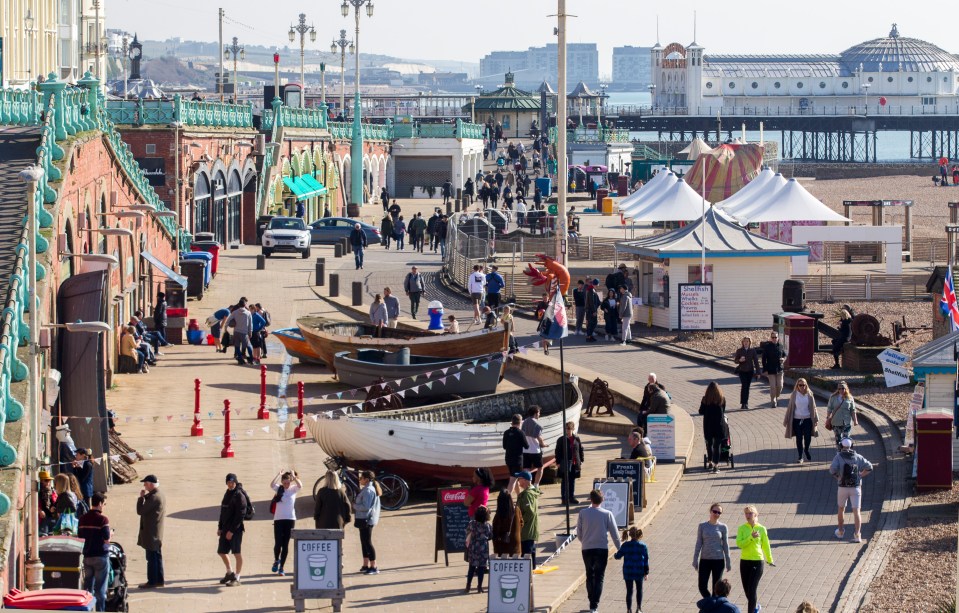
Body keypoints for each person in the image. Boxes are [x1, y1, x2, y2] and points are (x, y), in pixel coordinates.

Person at [577, 489, 622, 613]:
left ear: (590, 499)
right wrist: (620, 548)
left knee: (589, 574)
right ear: (603, 500)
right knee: (599, 576)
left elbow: (579, 533)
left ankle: (591, 598)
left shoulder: (583, 513)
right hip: (601, 548)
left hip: (586, 548)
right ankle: (594, 605)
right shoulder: (607, 514)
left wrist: (585, 541)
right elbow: (615, 533)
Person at [829, 438, 873, 543]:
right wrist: (861, 475)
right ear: (851, 446)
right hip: (856, 487)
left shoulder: (838, 457)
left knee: (841, 509)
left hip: (842, 487)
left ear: (841, 446)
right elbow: (870, 467)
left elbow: (832, 470)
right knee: (856, 511)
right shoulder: (858, 457)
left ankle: (840, 532)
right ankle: (857, 535)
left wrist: (838, 477)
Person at [736, 505, 774, 613]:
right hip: (745, 561)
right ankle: (755, 607)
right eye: (746, 513)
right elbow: (740, 544)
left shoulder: (761, 529)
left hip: (757, 561)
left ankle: (751, 611)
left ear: (756, 515)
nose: (748, 516)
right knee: (747, 590)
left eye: (750, 513)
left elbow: (766, 545)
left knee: (752, 589)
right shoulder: (742, 528)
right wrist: (751, 537)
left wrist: (770, 559)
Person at [79, 492, 111, 610]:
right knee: (100, 589)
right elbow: (107, 538)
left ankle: (86, 609)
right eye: (104, 504)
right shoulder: (103, 520)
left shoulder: (82, 519)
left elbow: (80, 536)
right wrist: (111, 534)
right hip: (100, 557)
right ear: (100, 504)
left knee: (87, 588)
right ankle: (100, 610)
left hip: (87, 556)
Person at [694, 503, 732, 599]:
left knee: (717, 588)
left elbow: (725, 545)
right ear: (710, 511)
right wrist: (695, 559)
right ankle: (710, 602)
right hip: (705, 560)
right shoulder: (702, 526)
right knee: (702, 586)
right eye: (714, 511)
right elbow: (699, 543)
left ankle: (714, 607)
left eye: (719, 512)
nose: (716, 514)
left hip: (718, 561)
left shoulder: (723, 527)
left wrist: (728, 561)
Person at [270, 470, 302, 576]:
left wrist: (294, 477)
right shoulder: (279, 488)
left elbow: (300, 485)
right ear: (282, 482)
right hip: (278, 519)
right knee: (278, 543)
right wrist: (278, 475)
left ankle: (282, 568)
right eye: (284, 483)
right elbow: (271, 484)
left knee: (285, 544)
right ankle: (276, 560)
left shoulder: (293, 489)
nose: (286, 485)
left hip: (290, 519)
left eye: (288, 482)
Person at [217, 473, 247, 587]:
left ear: (235, 482)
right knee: (221, 551)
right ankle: (230, 573)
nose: (230, 484)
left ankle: (237, 578)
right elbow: (222, 511)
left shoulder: (239, 495)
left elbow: (241, 515)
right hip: (225, 528)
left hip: (236, 530)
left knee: (236, 553)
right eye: (228, 482)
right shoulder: (227, 493)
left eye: (232, 482)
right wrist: (220, 527)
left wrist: (232, 531)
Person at [136, 475, 165, 589]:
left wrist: (141, 498)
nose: (144, 485)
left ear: (151, 485)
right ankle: (159, 580)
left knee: (151, 558)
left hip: (151, 532)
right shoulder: (158, 495)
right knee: (157, 557)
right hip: (156, 532)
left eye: (146, 483)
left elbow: (140, 511)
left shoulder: (154, 497)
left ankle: (152, 581)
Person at [614, 526, 650, 613]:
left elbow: (618, 556)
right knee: (639, 589)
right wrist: (646, 572)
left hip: (628, 571)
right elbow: (646, 560)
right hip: (639, 571)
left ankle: (629, 609)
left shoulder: (625, 545)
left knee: (629, 591)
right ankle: (639, 608)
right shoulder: (643, 546)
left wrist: (615, 555)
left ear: (629, 534)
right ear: (639, 534)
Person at [784, 378, 819, 463]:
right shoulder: (794, 394)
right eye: (800, 385)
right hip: (796, 419)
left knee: (807, 437)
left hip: (807, 419)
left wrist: (816, 418)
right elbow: (790, 408)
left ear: (806, 385)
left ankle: (806, 449)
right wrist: (786, 420)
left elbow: (814, 407)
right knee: (799, 438)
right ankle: (800, 456)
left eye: (804, 385)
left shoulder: (810, 395)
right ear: (797, 386)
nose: (802, 387)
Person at [354, 470, 381, 574]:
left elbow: (366, 507)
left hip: (367, 519)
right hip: (364, 519)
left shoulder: (368, 490)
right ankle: (365, 564)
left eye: (361, 478)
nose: (360, 479)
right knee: (363, 542)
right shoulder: (367, 489)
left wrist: (354, 506)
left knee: (367, 542)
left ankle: (374, 566)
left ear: (366, 479)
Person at [700, 383, 727, 473]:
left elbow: (701, 411)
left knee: (709, 443)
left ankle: (710, 461)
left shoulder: (705, 399)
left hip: (708, 425)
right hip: (719, 425)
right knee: (717, 445)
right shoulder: (722, 399)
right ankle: (716, 465)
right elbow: (723, 411)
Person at [464, 505, 492, 593]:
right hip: (483, 548)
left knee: (471, 568)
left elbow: (467, 532)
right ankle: (479, 586)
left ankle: (468, 585)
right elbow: (490, 536)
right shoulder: (487, 526)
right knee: (481, 568)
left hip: (473, 547)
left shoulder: (472, 523)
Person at [514, 471, 540, 566]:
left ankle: (528, 575)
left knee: (526, 553)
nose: (518, 481)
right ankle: (532, 571)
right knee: (531, 551)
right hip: (530, 529)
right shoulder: (531, 492)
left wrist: (520, 521)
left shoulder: (527, 494)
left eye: (519, 479)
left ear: (525, 480)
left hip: (526, 530)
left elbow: (530, 512)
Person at [555, 421, 584, 504]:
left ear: (572, 429)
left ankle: (571, 497)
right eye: (566, 429)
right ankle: (564, 498)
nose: (567, 431)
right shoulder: (561, 439)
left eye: (569, 429)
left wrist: (581, 459)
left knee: (572, 481)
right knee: (564, 481)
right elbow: (558, 451)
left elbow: (580, 449)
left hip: (575, 463)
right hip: (565, 463)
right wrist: (558, 462)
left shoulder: (576, 439)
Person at [491, 489, 523, 555]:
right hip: (515, 544)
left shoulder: (498, 514)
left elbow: (495, 529)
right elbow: (522, 523)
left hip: (501, 546)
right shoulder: (517, 510)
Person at [826, 382, 857, 447]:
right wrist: (828, 418)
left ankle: (846, 452)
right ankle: (839, 453)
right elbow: (829, 409)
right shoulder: (833, 397)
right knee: (838, 440)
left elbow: (853, 410)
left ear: (846, 389)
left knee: (846, 440)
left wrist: (855, 420)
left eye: (843, 388)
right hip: (836, 422)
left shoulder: (850, 398)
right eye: (839, 389)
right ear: (837, 389)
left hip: (847, 422)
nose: (841, 390)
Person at [502, 414, 529, 493]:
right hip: (517, 460)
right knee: (513, 480)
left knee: (514, 478)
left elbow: (504, 446)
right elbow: (526, 446)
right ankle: (507, 499)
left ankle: (519, 496)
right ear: (520, 422)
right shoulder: (520, 433)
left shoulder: (506, 432)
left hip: (508, 459)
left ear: (512, 422)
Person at [223, 300, 254, 366]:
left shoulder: (235, 312)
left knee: (237, 346)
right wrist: (250, 331)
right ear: (245, 305)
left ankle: (240, 359)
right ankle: (251, 358)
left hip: (236, 332)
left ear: (239, 305)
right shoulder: (248, 313)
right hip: (244, 332)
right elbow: (250, 324)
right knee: (248, 345)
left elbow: (228, 320)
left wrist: (225, 328)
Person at [521, 406, 546, 486]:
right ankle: (536, 485)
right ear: (535, 413)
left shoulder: (524, 422)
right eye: (538, 413)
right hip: (535, 450)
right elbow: (539, 438)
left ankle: (528, 485)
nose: (539, 414)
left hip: (525, 450)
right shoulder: (537, 424)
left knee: (526, 468)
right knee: (540, 468)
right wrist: (543, 444)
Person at [733, 337, 761, 410]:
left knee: (747, 387)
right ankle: (743, 403)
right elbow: (735, 361)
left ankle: (746, 403)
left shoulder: (752, 351)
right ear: (742, 342)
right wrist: (739, 360)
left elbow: (756, 362)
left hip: (750, 372)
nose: (746, 343)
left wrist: (758, 372)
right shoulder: (739, 350)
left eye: (747, 341)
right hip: (742, 371)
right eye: (744, 341)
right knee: (744, 386)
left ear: (750, 342)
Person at [760, 331, 786, 408]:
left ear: (778, 338)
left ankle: (776, 396)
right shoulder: (767, 347)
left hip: (780, 369)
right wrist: (765, 369)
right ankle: (773, 399)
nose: (774, 339)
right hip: (770, 370)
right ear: (771, 338)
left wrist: (783, 359)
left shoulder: (781, 346)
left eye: (776, 337)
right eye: (773, 337)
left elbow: (785, 355)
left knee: (780, 386)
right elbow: (764, 359)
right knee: (773, 386)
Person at [38, 470, 56, 535]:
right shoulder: (38, 492)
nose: (48, 483)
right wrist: (39, 510)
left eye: (49, 481)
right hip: (43, 518)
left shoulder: (53, 491)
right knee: (43, 535)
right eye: (46, 480)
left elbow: (55, 502)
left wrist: (54, 507)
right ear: (41, 481)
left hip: (52, 517)